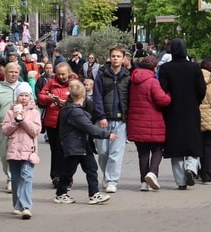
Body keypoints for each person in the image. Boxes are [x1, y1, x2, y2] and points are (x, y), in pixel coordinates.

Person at [54, 79, 114, 205]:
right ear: (83, 95)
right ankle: (60, 193)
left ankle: (94, 194)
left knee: (91, 169)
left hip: (81, 145)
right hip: (74, 146)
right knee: (68, 171)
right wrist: (107, 134)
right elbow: (89, 128)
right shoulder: (75, 112)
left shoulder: (70, 108)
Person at [157, 39, 205, 190]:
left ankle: (181, 181)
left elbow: (162, 89)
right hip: (191, 109)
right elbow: (202, 89)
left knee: (176, 146)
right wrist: (195, 101)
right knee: (193, 141)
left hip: (172, 111)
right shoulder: (194, 68)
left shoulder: (165, 68)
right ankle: (191, 166)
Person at [126, 55, 170, 191]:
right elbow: (162, 100)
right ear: (155, 67)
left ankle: (143, 182)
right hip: (153, 121)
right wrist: (169, 95)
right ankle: (152, 173)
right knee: (158, 149)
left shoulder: (133, 81)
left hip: (136, 122)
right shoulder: (152, 81)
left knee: (143, 153)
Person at [92, 44, 130, 193]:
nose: (115, 58)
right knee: (102, 151)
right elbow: (97, 96)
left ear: (123, 58)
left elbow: (129, 97)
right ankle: (106, 175)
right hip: (103, 119)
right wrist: (101, 115)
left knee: (116, 152)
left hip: (120, 120)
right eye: (113, 56)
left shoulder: (127, 76)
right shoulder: (101, 74)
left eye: (118, 56)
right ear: (110, 57)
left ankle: (111, 180)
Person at [1, 83, 41, 220]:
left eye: (26, 95)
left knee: (27, 177)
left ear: (30, 97)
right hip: (13, 150)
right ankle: (17, 205)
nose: (23, 98)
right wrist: (15, 121)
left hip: (29, 151)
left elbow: (35, 131)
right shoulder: (10, 112)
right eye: (21, 95)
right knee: (16, 179)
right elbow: (5, 130)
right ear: (17, 97)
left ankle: (26, 207)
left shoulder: (34, 112)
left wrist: (23, 120)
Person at [36, 61, 73, 189]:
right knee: (55, 150)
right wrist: (50, 99)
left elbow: (81, 98)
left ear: (69, 73)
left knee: (67, 150)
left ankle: (67, 177)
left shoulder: (74, 83)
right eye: (59, 74)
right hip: (53, 121)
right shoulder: (51, 82)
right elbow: (41, 96)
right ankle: (56, 176)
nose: (61, 76)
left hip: (69, 122)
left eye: (63, 74)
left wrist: (67, 102)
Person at [0, 61, 23, 193]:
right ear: (5, 73)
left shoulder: (23, 86)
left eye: (16, 72)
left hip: (21, 126)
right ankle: (9, 177)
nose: (13, 74)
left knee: (19, 153)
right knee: (4, 154)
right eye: (10, 71)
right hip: (2, 125)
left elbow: (31, 102)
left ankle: (14, 179)